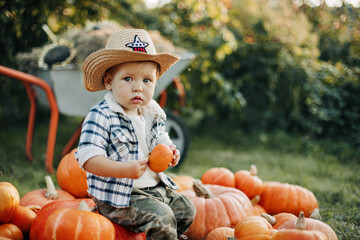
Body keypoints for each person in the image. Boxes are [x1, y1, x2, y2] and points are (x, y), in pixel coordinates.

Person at [76, 29, 196, 240]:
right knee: (163, 218)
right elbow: (87, 159)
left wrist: (170, 152)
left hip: (153, 189)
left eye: (147, 80)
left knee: (187, 210)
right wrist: (123, 169)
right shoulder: (101, 115)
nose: (138, 88)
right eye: (128, 79)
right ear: (108, 81)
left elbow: (161, 139)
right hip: (119, 197)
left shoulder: (151, 112)